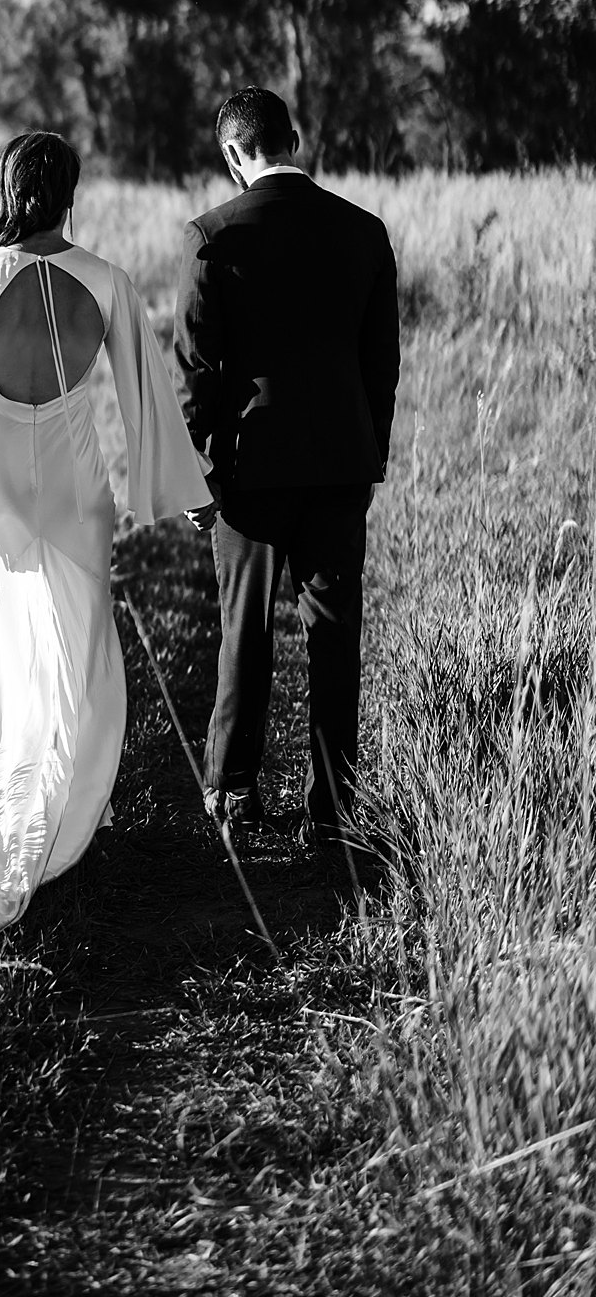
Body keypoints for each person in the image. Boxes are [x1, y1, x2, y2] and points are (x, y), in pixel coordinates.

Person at [0, 131, 210, 955]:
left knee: (24, 641)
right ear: (71, 189)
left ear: (6, 186)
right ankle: (66, 824)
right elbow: (147, 396)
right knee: (84, 652)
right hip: (77, 494)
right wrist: (182, 494)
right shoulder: (104, 280)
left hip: (5, 500)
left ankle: (19, 825)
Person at [173, 87, 401, 852]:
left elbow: (197, 373)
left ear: (233, 154)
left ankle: (234, 795)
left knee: (245, 629)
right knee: (335, 636)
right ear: (294, 139)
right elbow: (382, 366)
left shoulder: (212, 237)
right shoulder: (364, 233)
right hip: (342, 462)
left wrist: (198, 471)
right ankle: (334, 811)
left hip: (248, 466)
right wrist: (371, 452)